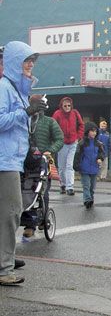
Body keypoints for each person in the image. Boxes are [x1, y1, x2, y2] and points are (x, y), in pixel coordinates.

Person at [0, 41, 47, 286]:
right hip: (4, 160)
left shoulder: (16, 90)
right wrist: (26, 112)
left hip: (12, 160)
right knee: (11, 213)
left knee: (8, 213)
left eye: (33, 61)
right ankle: (4, 268)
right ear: (13, 63)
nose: (30, 65)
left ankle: (5, 257)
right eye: (26, 60)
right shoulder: (4, 88)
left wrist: (34, 114)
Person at [22, 100, 63, 237]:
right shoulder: (24, 119)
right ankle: (28, 221)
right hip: (24, 160)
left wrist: (50, 151)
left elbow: (59, 139)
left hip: (43, 162)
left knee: (42, 191)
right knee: (24, 190)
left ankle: (38, 221)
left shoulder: (49, 122)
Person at [52, 96, 84, 195]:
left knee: (69, 165)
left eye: (69, 105)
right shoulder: (57, 114)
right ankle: (62, 184)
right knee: (61, 167)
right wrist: (57, 139)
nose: (67, 107)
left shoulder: (75, 113)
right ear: (61, 106)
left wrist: (78, 137)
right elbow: (52, 127)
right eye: (65, 105)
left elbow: (81, 125)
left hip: (73, 142)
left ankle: (70, 187)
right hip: (62, 144)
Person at [74, 122, 105, 209]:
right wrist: (76, 165)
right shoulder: (82, 143)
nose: (94, 133)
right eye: (92, 131)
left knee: (92, 186)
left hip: (94, 168)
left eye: (95, 131)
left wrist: (100, 158)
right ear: (87, 132)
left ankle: (91, 199)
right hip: (84, 168)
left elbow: (102, 153)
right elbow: (77, 155)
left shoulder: (98, 143)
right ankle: (87, 200)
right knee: (86, 185)